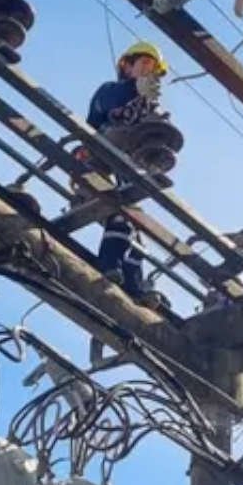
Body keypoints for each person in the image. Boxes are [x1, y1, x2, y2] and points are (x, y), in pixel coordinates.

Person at [84, 41, 168, 308]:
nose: (149, 72)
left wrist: (157, 125)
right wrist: (135, 91)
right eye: (144, 64)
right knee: (120, 216)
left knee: (135, 230)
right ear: (126, 65)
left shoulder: (146, 109)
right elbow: (110, 113)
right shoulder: (110, 91)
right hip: (96, 162)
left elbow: (150, 140)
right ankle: (108, 265)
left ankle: (134, 287)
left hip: (123, 168)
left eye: (153, 69)